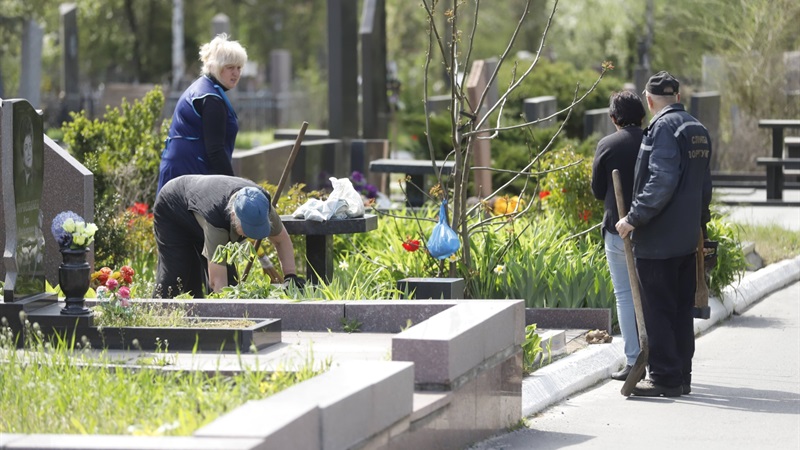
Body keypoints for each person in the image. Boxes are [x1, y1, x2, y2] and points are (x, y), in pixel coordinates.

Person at [615, 71, 712, 397]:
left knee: (657, 309)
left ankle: (665, 378)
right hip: (686, 239)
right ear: (679, 97)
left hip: (659, 241)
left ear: (650, 100)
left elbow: (661, 180)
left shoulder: (663, 129)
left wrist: (633, 218)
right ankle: (681, 375)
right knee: (681, 310)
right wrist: (701, 226)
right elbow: (704, 188)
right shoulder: (696, 129)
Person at [152, 175, 305, 298]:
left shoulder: (260, 204)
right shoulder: (217, 223)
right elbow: (217, 283)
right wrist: (231, 317)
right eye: (247, 230)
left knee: (231, 284)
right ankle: (155, 324)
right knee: (176, 278)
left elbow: (281, 240)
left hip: (199, 210)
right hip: (173, 209)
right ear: (233, 217)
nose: (252, 235)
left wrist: (290, 276)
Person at [591, 90, 646, 381]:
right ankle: (658, 358)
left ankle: (634, 359)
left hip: (617, 229)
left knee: (624, 296)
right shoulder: (654, 140)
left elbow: (599, 190)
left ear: (614, 118)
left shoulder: (608, 145)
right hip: (652, 230)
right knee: (652, 295)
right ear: (643, 115)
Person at [156, 33, 246, 195]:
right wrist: (235, 189)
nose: (236, 73)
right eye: (230, 67)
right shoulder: (211, 98)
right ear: (216, 67)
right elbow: (215, 151)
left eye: (239, 68)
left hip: (184, 172)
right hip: (189, 176)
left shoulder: (206, 89)